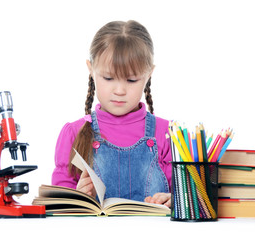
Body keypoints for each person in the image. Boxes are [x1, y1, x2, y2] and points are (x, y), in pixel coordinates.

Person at [52, 20, 172, 207]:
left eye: (131, 80)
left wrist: (174, 200)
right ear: (91, 70)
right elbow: (58, 201)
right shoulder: (74, 133)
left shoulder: (167, 134)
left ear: (149, 74)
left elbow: (183, 194)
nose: (119, 90)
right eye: (108, 78)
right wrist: (77, 196)